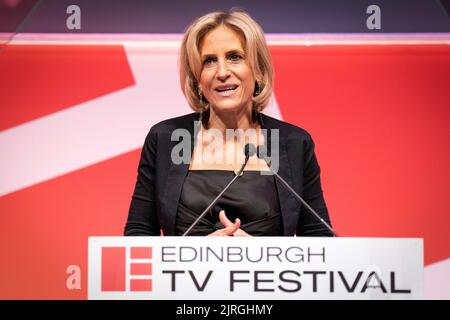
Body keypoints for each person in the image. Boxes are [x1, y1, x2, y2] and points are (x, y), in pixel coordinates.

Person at [124, 10, 333, 237]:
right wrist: (196, 254)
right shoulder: (167, 138)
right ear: (196, 78)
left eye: (235, 57)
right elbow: (139, 234)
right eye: (209, 61)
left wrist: (260, 255)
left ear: (259, 70)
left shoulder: (292, 143)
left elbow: (318, 238)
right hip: (185, 273)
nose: (222, 72)